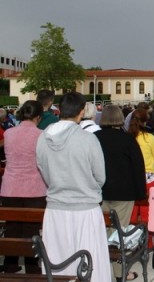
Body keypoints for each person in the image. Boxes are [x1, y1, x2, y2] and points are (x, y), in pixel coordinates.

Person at [35, 92, 111, 281]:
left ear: (60, 109)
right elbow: (100, 177)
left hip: (55, 210)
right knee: (90, 264)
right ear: (81, 111)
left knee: (59, 261)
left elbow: (43, 170)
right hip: (85, 209)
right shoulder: (88, 139)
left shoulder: (43, 137)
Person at [95, 105, 146, 282]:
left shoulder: (94, 138)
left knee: (102, 232)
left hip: (99, 192)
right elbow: (138, 168)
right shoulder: (128, 140)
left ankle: (100, 269)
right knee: (119, 234)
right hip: (124, 193)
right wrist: (141, 193)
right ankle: (119, 273)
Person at [0, 101, 46, 274]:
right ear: (38, 117)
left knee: (12, 228)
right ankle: (32, 268)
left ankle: (10, 265)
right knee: (32, 231)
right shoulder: (41, 135)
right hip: (35, 188)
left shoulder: (9, 133)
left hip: (11, 187)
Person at [128, 108, 154, 231]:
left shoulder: (128, 137)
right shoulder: (149, 137)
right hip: (148, 177)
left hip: (132, 178)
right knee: (149, 210)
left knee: (132, 211)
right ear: (145, 122)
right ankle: (149, 241)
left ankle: (131, 240)